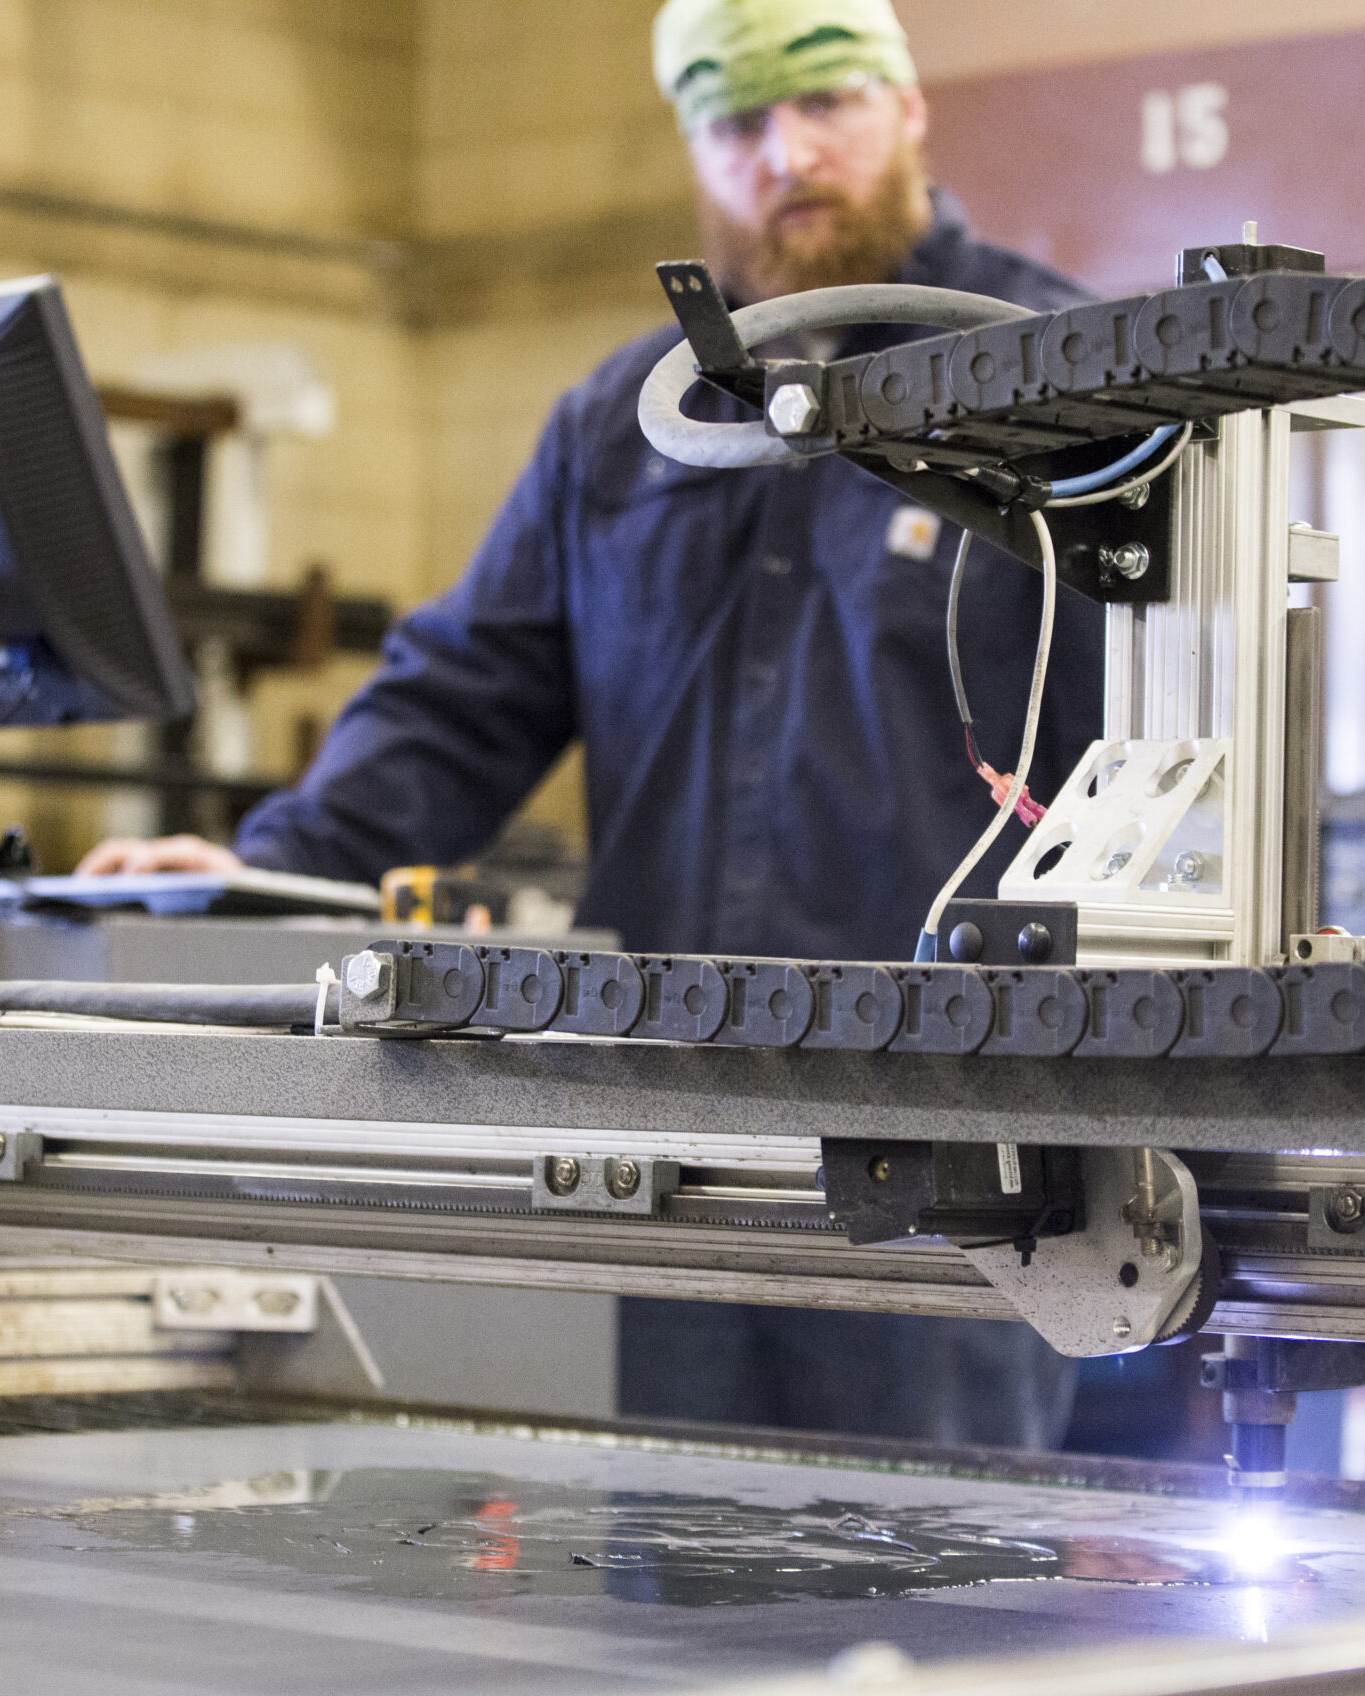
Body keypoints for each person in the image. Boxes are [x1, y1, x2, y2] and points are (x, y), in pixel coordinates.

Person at [80, 0, 1099, 1448]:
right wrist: (257, 875)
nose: (787, 154)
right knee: (645, 1611)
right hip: (656, 1136)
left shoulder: (1068, 379)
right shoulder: (625, 424)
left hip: (948, 1146)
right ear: (694, 146)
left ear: (910, 104)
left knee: (934, 1607)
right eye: (737, 121)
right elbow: (460, 697)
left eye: (827, 104)